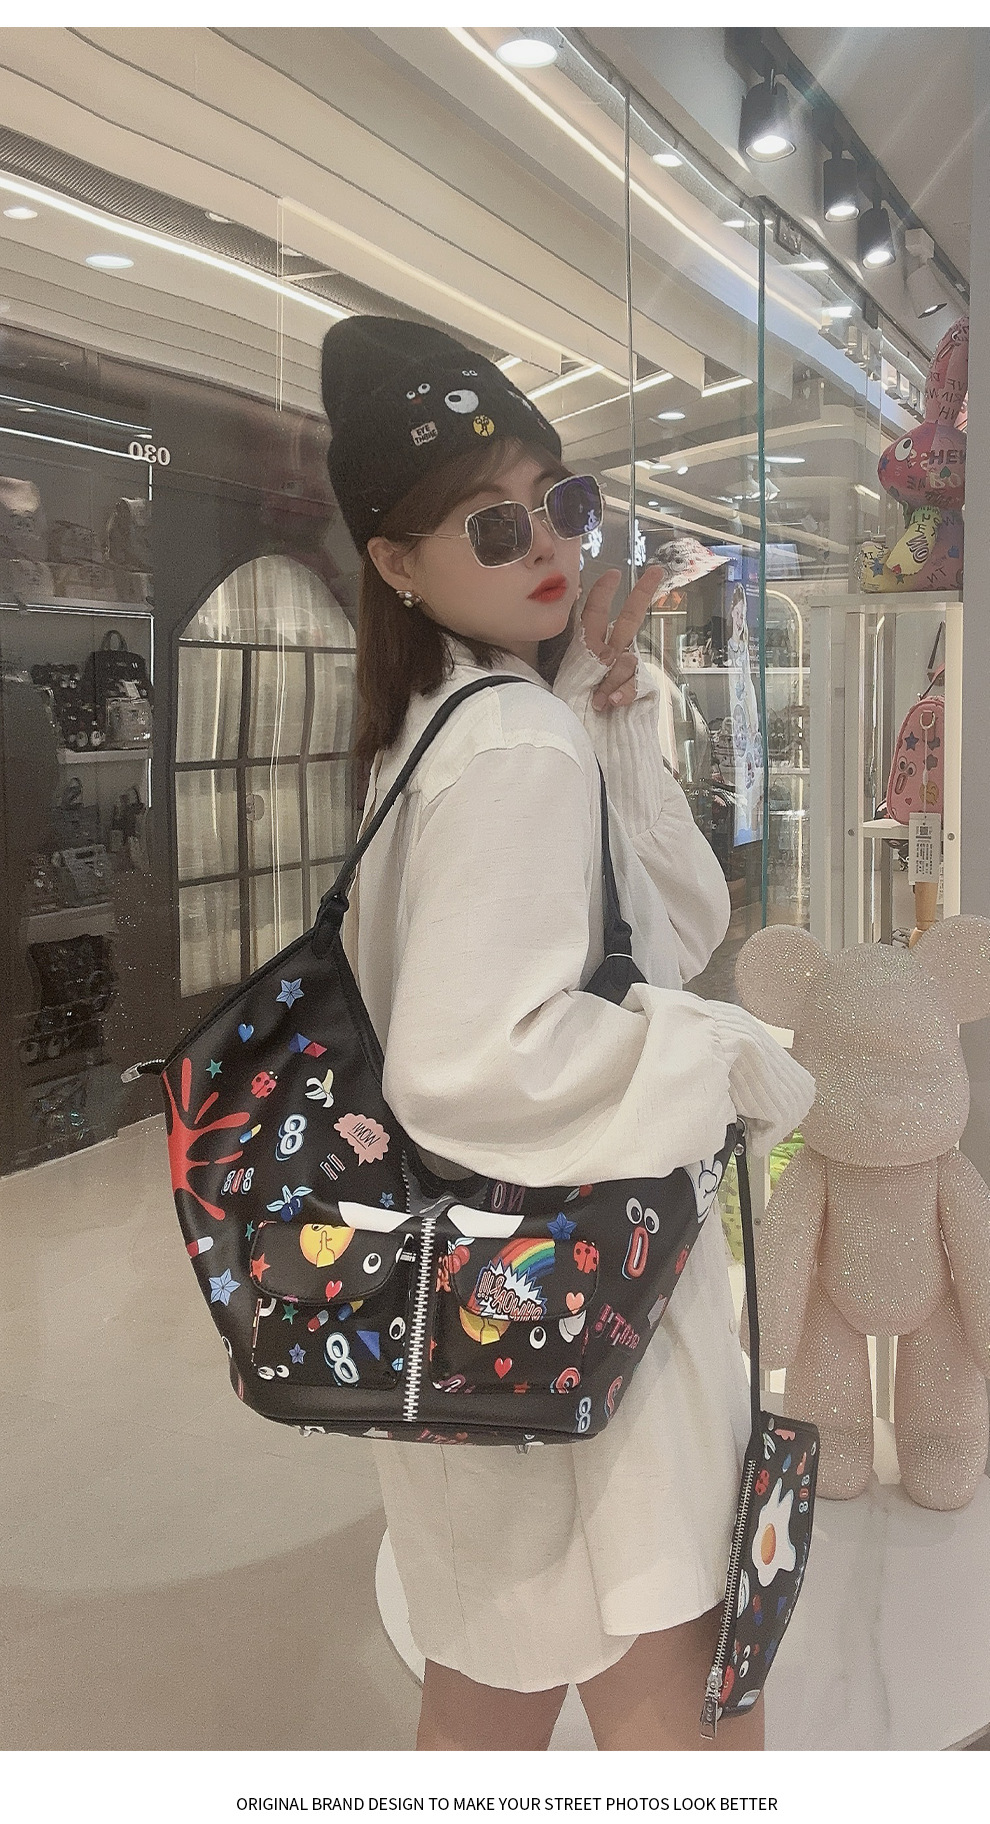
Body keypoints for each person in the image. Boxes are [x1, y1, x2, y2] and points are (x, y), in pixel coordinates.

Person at [319, 317, 815, 1753]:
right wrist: (713, 1058)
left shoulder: (443, 723)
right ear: (397, 562)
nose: (544, 542)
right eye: (492, 522)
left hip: (471, 1317)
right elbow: (475, 1060)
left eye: (561, 499)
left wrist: (598, 707)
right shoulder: (509, 740)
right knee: (696, 1735)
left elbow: (653, 924)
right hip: (596, 1322)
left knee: (485, 1693)